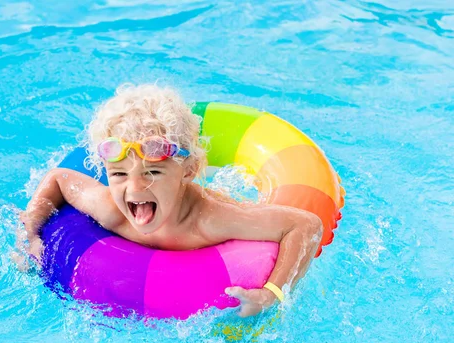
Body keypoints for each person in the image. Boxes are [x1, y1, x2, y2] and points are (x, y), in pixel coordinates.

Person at [20, 83, 322, 317]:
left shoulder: (210, 220)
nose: (135, 188)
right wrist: (29, 234)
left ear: (188, 171)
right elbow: (59, 178)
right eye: (120, 174)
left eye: (152, 171)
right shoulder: (112, 210)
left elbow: (304, 225)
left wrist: (272, 293)